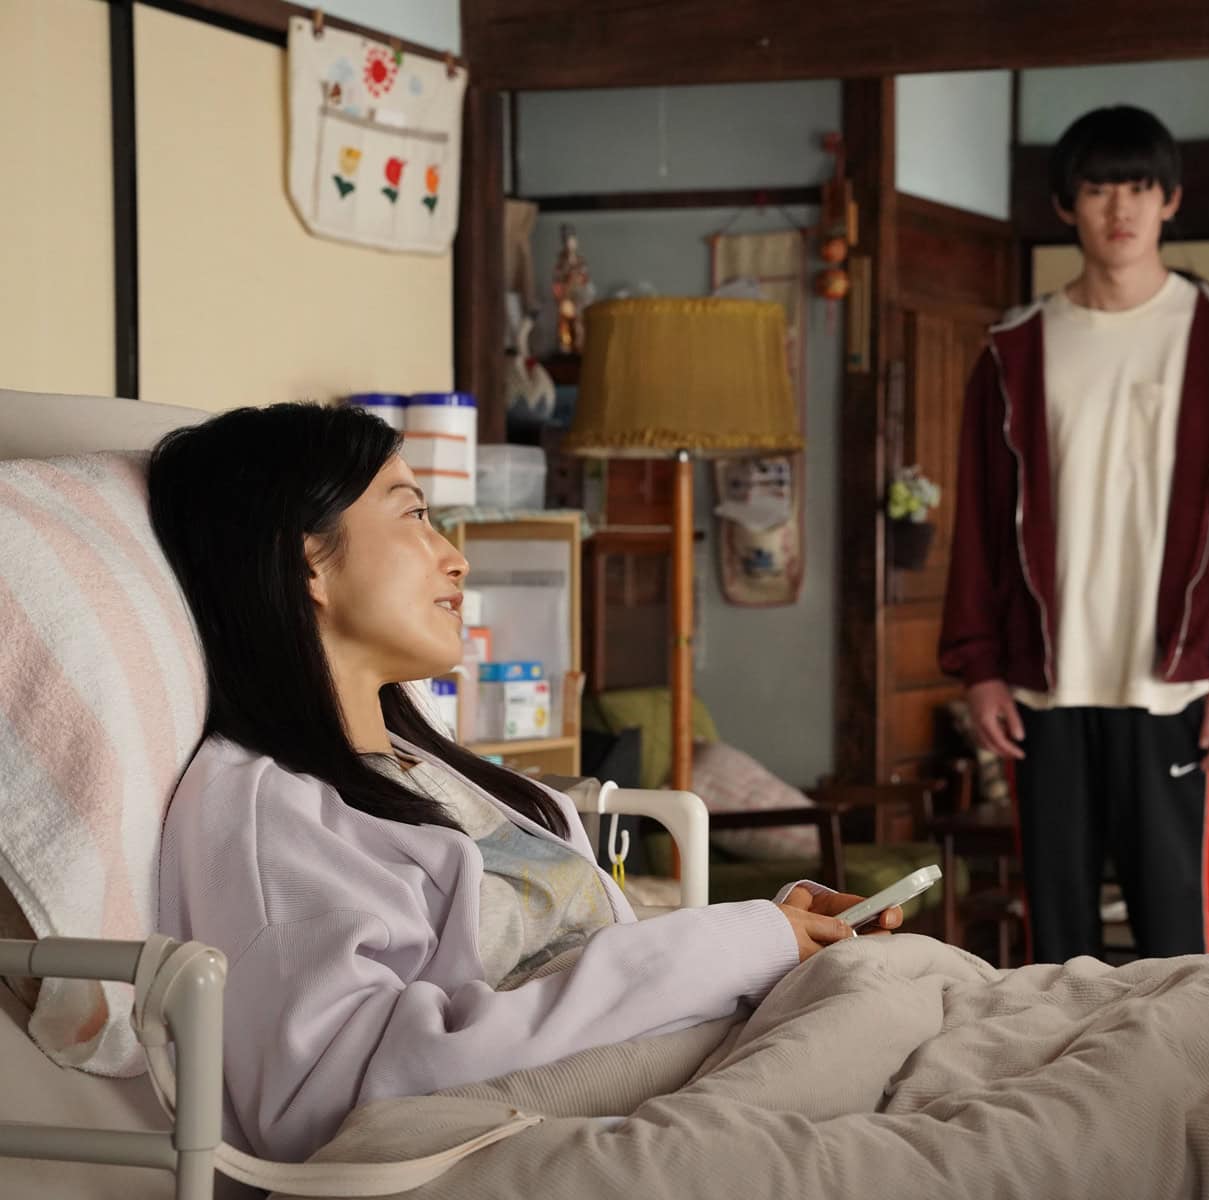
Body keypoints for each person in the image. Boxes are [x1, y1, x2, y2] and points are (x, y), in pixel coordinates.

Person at [147, 403, 903, 1162]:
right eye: (414, 515)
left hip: (667, 1082)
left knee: (914, 989)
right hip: (555, 1140)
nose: (456, 558)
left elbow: (580, 962)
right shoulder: (269, 812)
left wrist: (778, 936)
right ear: (308, 558)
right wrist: (729, 948)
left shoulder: (426, 768)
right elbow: (326, 1103)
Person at [940, 105, 1209, 963]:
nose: (1120, 208)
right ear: (1067, 206)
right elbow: (979, 523)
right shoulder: (1013, 350)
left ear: (1170, 199)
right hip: (1042, 692)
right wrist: (981, 668)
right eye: (1099, 189)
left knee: (1177, 937)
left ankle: (1190, 1063)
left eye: (1139, 187)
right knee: (1054, 942)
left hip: (1175, 690)